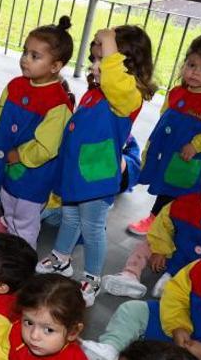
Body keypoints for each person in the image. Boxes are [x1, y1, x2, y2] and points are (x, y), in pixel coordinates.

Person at [38, 25, 157, 307]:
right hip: (76, 173)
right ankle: (61, 258)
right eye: (93, 59)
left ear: (124, 66)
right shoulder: (97, 90)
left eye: (100, 60)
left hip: (95, 177)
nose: (94, 66)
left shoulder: (127, 97)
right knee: (70, 218)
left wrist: (107, 39)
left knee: (92, 228)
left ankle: (92, 278)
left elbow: (117, 82)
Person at [0, 17, 75, 250]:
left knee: (25, 219)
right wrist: (2, 143)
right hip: (8, 163)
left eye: (35, 56)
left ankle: (22, 256)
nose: (25, 59)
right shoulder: (16, 85)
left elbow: (48, 146)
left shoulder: (57, 103)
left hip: (34, 175)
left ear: (55, 66)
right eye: (25, 52)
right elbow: (1, 113)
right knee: (8, 202)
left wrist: (20, 154)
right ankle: (9, 233)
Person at [81, 227, 201, 360]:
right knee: (133, 310)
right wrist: (178, 326)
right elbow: (176, 295)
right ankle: (109, 350)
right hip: (182, 328)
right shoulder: (199, 267)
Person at [130, 33, 201, 236]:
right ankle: (156, 219)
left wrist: (197, 145)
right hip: (168, 152)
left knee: (182, 194)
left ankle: (171, 225)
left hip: (191, 159)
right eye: (191, 65)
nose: (195, 73)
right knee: (164, 187)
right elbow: (166, 118)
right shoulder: (177, 91)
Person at [103, 156, 201, 300]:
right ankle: (130, 275)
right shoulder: (183, 203)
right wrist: (161, 250)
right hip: (174, 251)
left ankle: (176, 287)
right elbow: (162, 227)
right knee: (147, 244)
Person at [0, 274, 87, 359]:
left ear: (73, 332)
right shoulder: (15, 331)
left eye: (48, 330)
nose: (34, 336)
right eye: (29, 323)